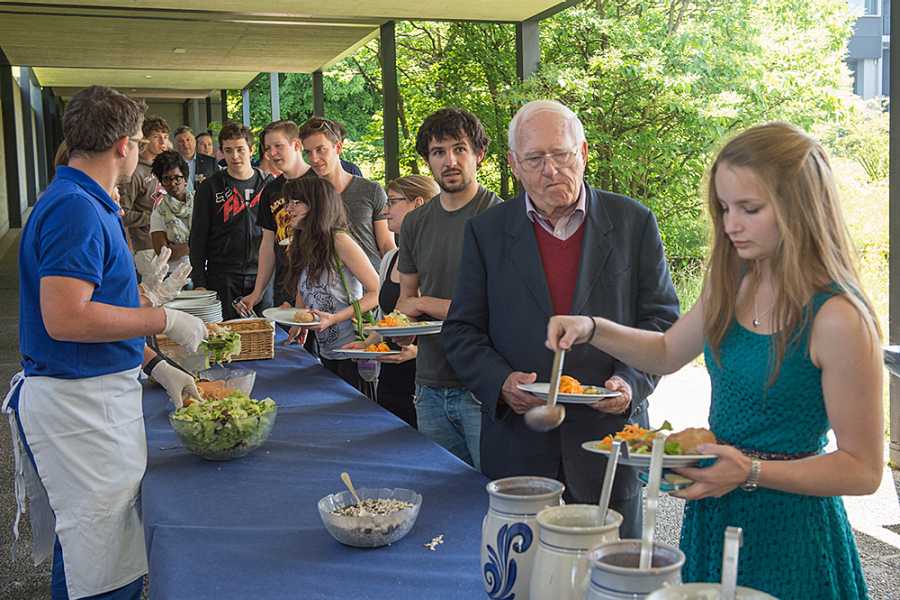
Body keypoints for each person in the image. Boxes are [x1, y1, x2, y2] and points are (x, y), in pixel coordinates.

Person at [546, 122, 883, 598]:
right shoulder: (735, 281)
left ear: (801, 209)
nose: (730, 225)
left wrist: (750, 472)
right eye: (724, 208)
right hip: (714, 513)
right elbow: (664, 353)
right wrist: (592, 328)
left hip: (792, 534)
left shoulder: (838, 317)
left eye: (750, 209)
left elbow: (864, 470)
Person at [3, 85, 206, 600]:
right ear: (123, 146)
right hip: (79, 405)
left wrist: (158, 367)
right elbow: (67, 319)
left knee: (93, 553)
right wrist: (162, 320)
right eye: (139, 141)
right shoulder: (75, 208)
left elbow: (101, 310)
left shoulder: (86, 201)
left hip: (94, 395)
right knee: (100, 567)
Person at [443, 100, 679, 533]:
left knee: (613, 580)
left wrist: (630, 381)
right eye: (535, 159)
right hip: (520, 446)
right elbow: (462, 330)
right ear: (514, 165)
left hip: (609, 444)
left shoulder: (633, 223)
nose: (551, 170)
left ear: (584, 153)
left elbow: (661, 321)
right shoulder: (487, 232)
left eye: (562, 155)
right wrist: (500, 383)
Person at [395, 108, 502, 469]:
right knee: (444, 501)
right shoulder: (414, 222)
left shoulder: (501, 217)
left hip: (483, 387)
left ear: (479, 155)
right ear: (428, 160)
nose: (450, 160)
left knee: (492, 499)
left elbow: (498, 307)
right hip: (428, 386)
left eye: (460, 149)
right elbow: (405, 300)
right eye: (439, 152)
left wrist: (424, 303)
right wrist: (394, 336)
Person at [345, 175, 441, 428]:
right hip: (390, 375)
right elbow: (390, 319)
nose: (385, 211)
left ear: (418, 204)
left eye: (393, 202)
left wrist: (417, 353)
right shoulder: (390, 259)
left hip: (428, 380)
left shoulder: (442, 258)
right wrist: (367, 344)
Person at [284, 177, 379, 390]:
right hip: (326, 348)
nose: (288, 208)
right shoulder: (302, 241)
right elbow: (304, 286)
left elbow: (376, 292)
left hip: (353, 349)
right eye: (288, 202)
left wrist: (334, 318)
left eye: (296, 202)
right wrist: (300, 322)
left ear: (317, 205)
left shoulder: (339, 241)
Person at [189, 121, 271, 321]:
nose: (234, 156)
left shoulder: (270, 185)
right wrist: (199, 280)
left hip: (263, 276)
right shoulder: (210, 187)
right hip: (222, 275)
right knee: (226, 338)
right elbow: (198, 237)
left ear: (251, 150)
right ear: (221, 152)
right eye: (228, 150)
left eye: (240, 149)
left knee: (265, 338)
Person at [299, 117, 395, 270]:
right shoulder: (305, 195)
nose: (314, 159)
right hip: (327, 287)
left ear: (338, 148)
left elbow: (386, 245)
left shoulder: (371, 190)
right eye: (308, 152)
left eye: (320, 150)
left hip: (372, 285)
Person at [239, 120, 312, 312]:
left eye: (278, 146)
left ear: (296, 145)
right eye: (268, 148)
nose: (272, 153)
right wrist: (258, 291)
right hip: (284, 285)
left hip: (318, 287)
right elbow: (267, 243)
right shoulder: (270, 189)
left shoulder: (319, 183)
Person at [118, 115, 169, 277]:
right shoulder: (135, 171)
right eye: (156, 137)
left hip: (167, 243)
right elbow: (122, 213)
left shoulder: (165, 168)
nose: (163, 142)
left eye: (165, 137)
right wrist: (152, 218)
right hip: (145, 246)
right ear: (144, 140)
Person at [150, 150, 193, 273]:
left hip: (203, 271)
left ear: (185, 179)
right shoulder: (159, 212)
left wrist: (180, 248)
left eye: (177, 178)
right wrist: (195, 244)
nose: (173, 183)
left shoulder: (202, 203)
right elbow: (163, 252)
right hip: (172, 274)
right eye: (166, 179)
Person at [173, 126, 218, 193]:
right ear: (175, 144)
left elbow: (218, 185)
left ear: (194, 141)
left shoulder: (211, 162)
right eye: (180, 141)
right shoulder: (171, 163)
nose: (185, 144)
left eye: (188, 140)